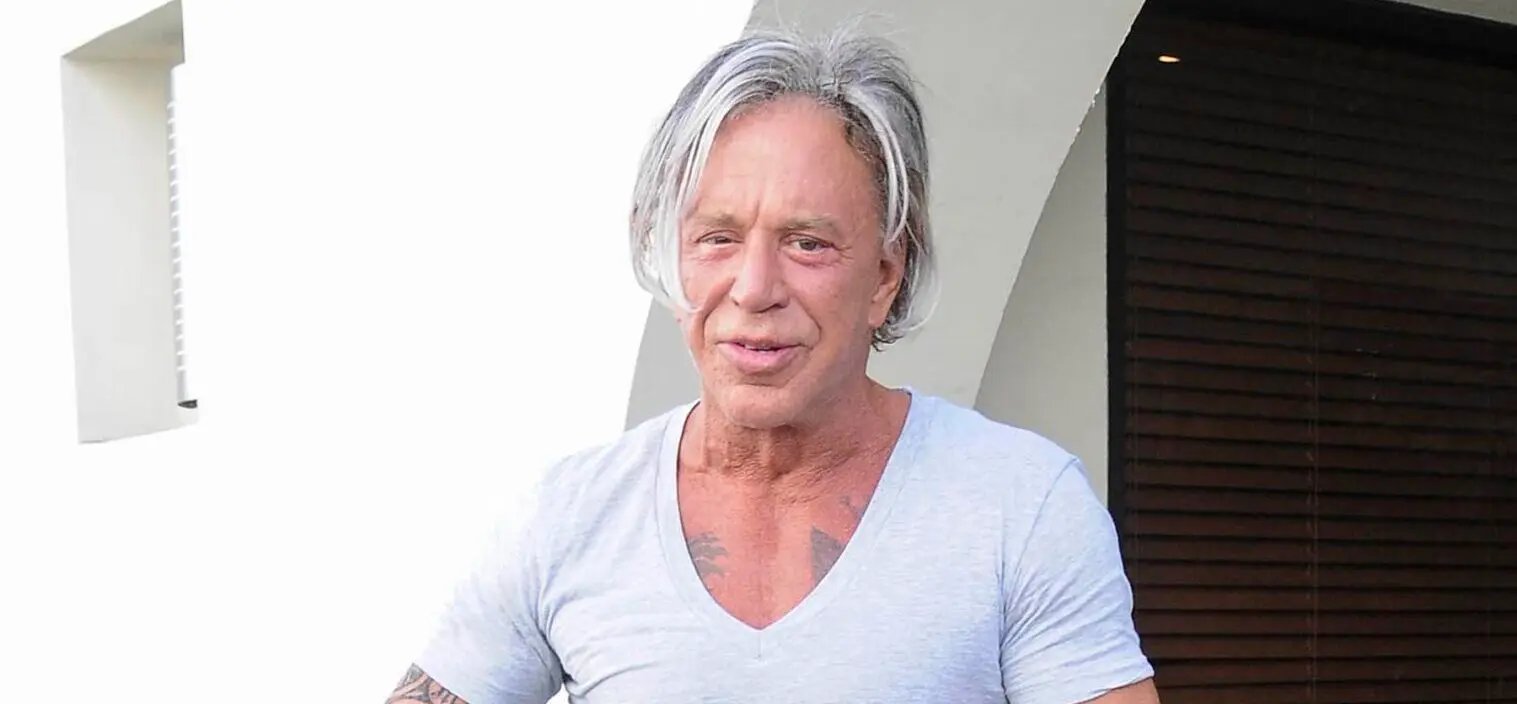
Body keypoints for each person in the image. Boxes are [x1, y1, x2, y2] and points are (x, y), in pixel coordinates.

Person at [386, 26, 1159, 704]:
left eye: (807, 243)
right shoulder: (569, 516)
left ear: (884, 276)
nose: (753, 288)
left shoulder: (1017, 506)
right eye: (716, 239)